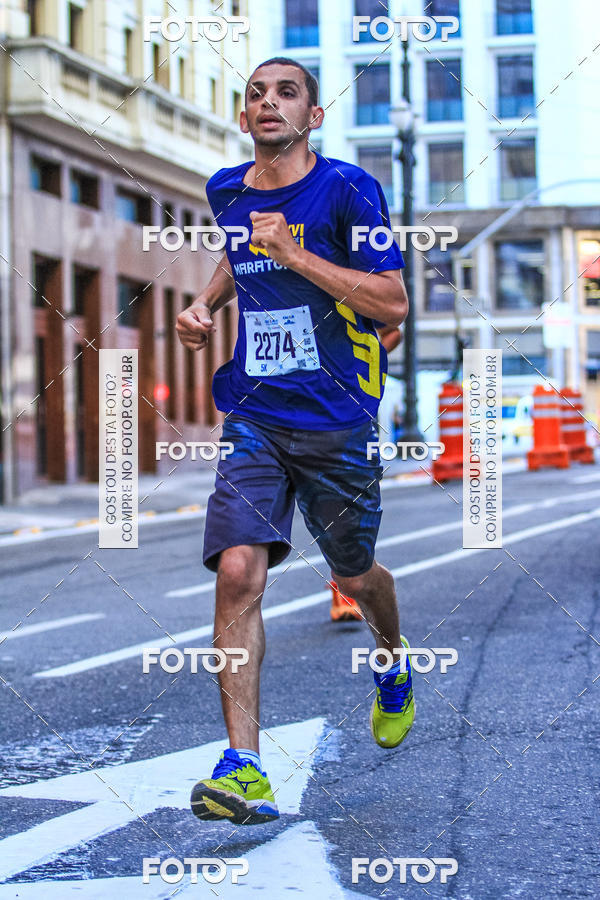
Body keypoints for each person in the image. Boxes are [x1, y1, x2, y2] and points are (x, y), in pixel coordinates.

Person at [176, 57, 415, 826]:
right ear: (244, 119)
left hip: (337, 418)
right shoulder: (228, 190)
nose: (268, 102)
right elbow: (238, 255)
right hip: (254, 414)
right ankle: (243, 766)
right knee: (239, 572)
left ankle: (392, 658)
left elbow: (392, 297)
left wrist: (297, 255)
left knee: (355, 570)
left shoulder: (350, 190)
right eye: (255, 94)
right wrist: (206, 303)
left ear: (313, 116)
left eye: (287, 92)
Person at [330, 325, 403, 622]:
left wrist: (355, 369)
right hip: (285, 418)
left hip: (346, 422)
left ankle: (346, 592)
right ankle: (343, 591)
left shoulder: (351, 288)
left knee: (343, 515)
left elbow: (393, 329)